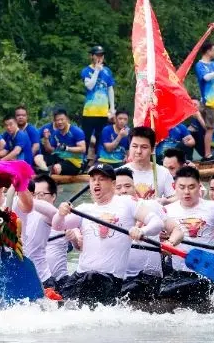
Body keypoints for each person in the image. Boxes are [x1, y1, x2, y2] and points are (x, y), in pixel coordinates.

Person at [52, 164, 164, 306]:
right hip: (80, 276)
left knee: (91, 280)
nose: (96, 183)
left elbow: (157, 222)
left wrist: (142, 231)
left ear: (113, 184)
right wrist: (60, 213)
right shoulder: (85, 209)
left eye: (101, 179)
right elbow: (57, 225)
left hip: (109, 279)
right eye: (93, 179)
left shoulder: (127, 203)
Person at [113, 167, 179, 302]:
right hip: (117, 277)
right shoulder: (106, 212)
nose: (123, 191)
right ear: (112, 190)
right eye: (118, 187)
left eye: (127, 186)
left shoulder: (152, 206)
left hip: (148, 277)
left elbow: (177, 231)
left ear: (135, 188)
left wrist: (170, 243)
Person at [20, 174, 73, 289]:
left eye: (42, 194)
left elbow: (79, 244)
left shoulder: (65, 219)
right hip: (34, 278)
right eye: (34, 194)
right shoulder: (23, 218)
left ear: (53, 196)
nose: (37, 198)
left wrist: (74, 237)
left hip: (59, 282)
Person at [80, 45, 116, 167]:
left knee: (101, 137)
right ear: (92, 56)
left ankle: (98, 161)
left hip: (103, 111)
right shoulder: (86, 70)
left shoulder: (107, 71)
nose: (100, 57)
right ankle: (83, 161)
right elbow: (89, 86)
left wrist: (112, 108)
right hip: (89, 111)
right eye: (97, 55)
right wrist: (96, 70)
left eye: (101, 55)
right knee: (86, 137)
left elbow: (110, 89)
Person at [127, 126, 176, 203]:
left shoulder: (163, 172)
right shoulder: (119, 172)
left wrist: (166, 201)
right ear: (129, 146)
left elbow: (175, 197)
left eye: (144, 147)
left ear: (152, 149)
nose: (138, 151)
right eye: (134, 146)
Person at [40, 110, 87, 176]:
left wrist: (66, 148)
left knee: (56, 167)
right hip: (60, 158)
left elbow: (83, 149)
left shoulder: (76, 131)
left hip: (75, 162)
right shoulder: (56, 133)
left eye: (62, 119)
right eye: (57, 120)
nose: (59, 122)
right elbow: (50, 150)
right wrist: (46, 139)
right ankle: (46, 171)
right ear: (54, 121)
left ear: (67, 119)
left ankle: (47, 172)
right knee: (39, 158)